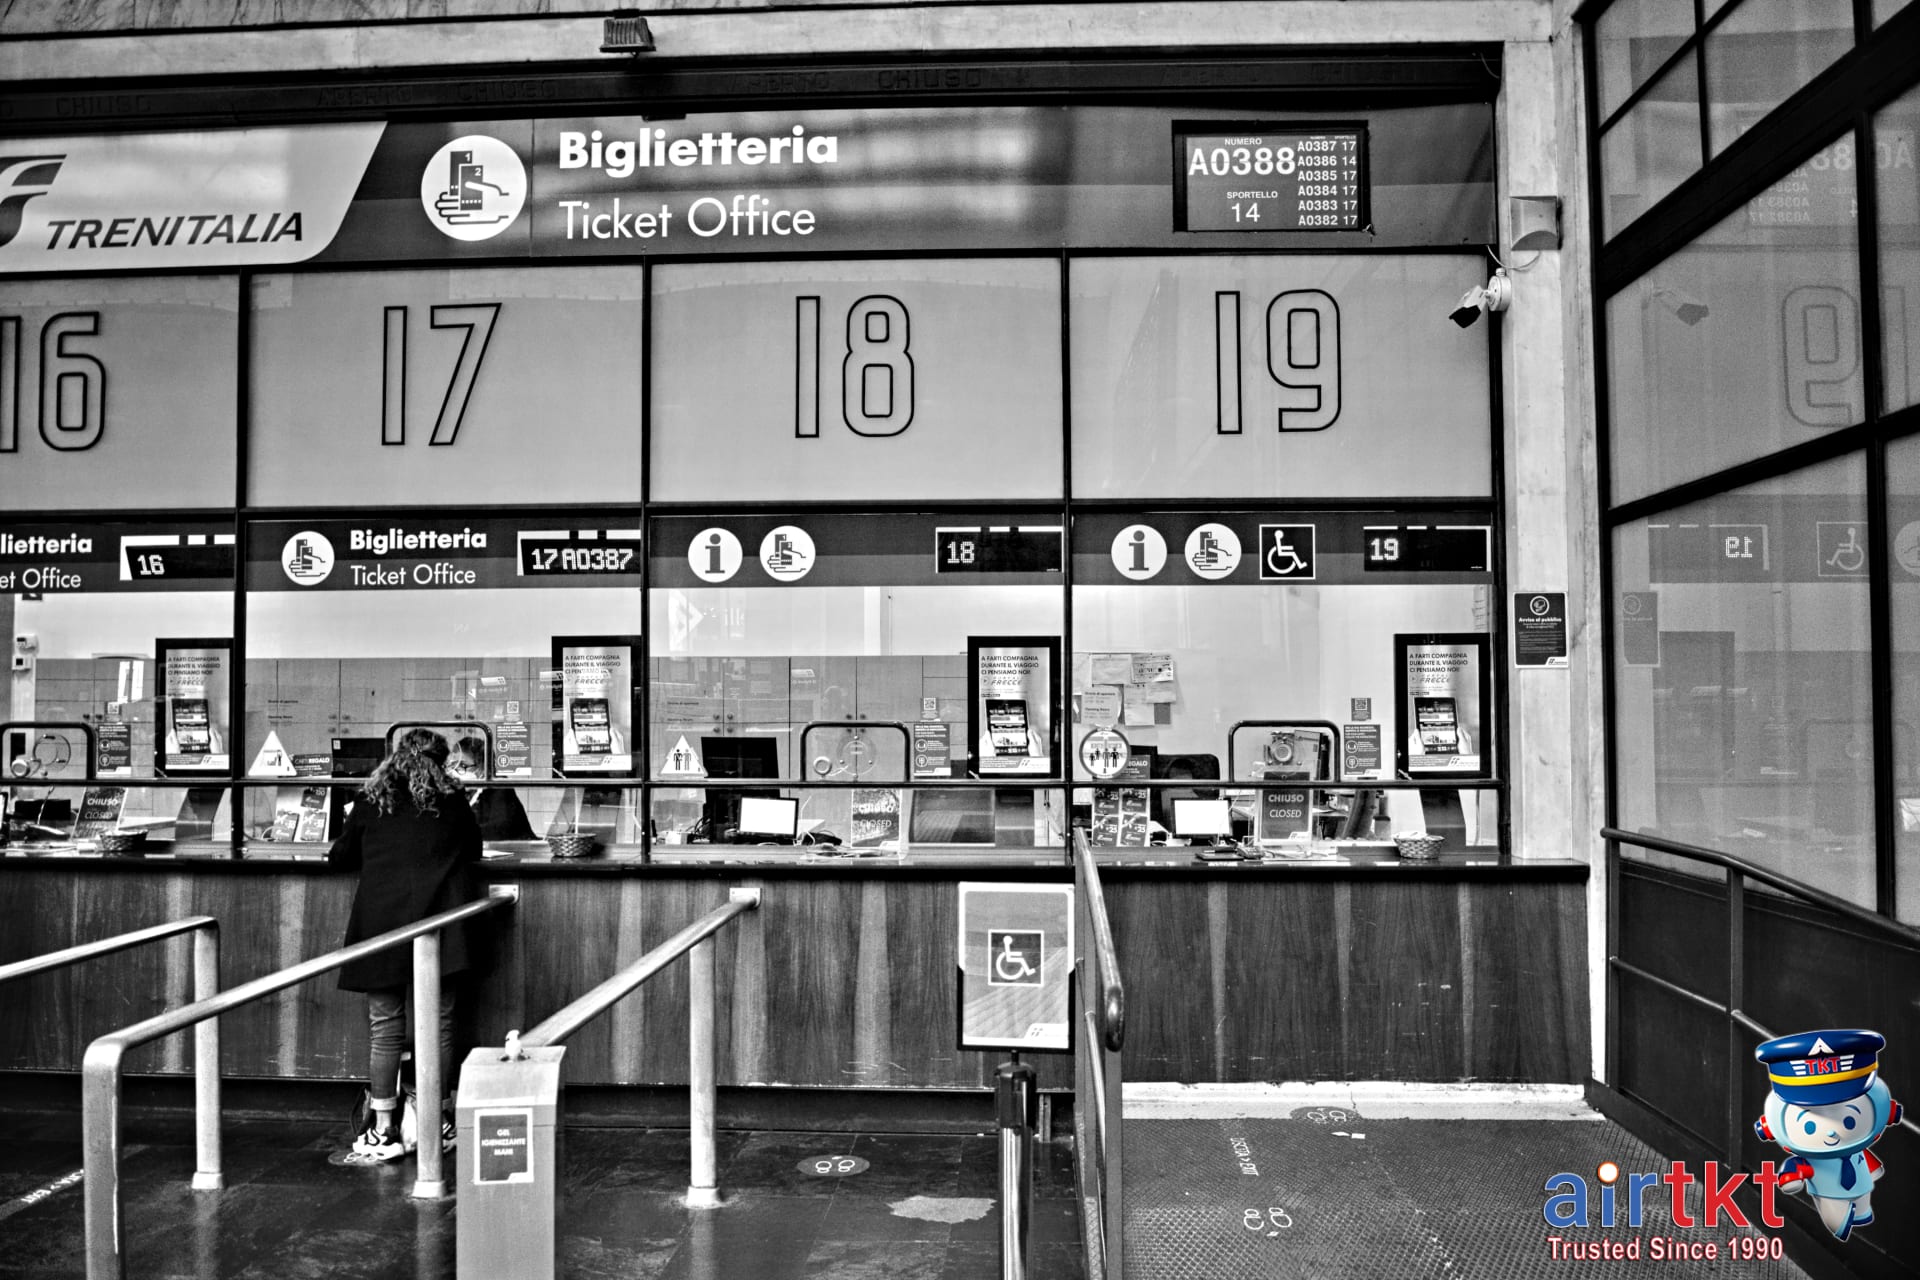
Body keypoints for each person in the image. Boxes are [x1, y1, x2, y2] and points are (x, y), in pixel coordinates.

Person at [326, 728, 485, 1165]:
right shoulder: (453, 802)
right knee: (440, 1024)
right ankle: (440, 1121)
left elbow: (340, 857)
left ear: (394, 758)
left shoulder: (371, 800)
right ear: (440, 761)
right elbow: (474, 849)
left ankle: (384, 1129)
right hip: (441, 924)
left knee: (385, 1027)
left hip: (383, 924)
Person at [451, 734, 536, 841]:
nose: (455, 771)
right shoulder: (466, 791)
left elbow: (498, 828)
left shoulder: (499, 786)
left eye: (463, 765)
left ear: (483, 766)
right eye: (453, 765)